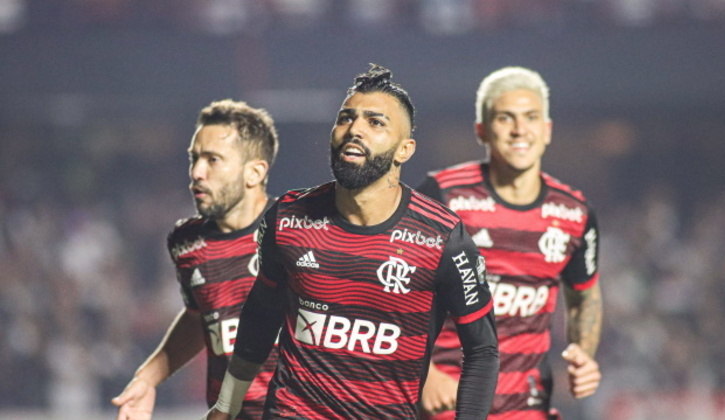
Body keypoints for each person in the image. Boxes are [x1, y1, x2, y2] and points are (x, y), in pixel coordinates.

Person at [203, 64, 499, 420]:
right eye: (346, 118)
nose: (355, 129)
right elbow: (261, 315)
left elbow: (482, 350)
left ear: (405, 150)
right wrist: (226, 406)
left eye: (375, 122)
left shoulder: (444, 238)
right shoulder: (287, 217)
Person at [418, 67, 603, 419]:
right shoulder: (443, 194)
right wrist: (425, 373)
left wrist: (584, 353)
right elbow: (394, 288)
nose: (520, 130)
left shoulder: (575, 213)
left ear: (547, 130)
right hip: (450, 402)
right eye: (506, 118)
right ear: (482, 131)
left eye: (531, 117)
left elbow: (585, 295)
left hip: (527, 406)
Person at [111, 99, 280, 420]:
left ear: (255, 172)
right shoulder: (188, 242)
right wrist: (147, 378)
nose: (197, 172)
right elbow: (199, 316)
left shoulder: (301, 232)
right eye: (194, 158)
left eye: (213, 160)